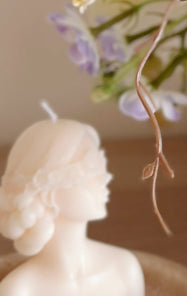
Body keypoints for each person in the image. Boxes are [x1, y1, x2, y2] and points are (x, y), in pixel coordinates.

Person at [0, 117, 144, 295]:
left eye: (100, 164)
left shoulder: (124, 269)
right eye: (87, 168)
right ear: (44, 189)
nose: (103, 177)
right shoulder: (20, 290)